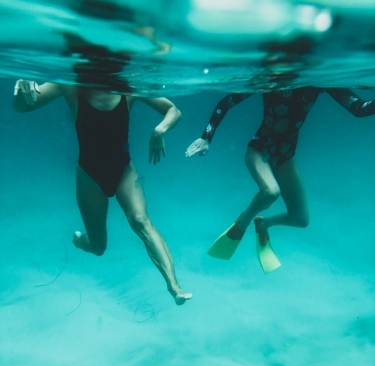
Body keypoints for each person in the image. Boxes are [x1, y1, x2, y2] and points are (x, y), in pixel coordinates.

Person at [13, 80, 192, 305]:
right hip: (90, 179)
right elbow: (22, 106)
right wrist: (21, 88)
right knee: (98, 247)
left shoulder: (131, 86)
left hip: (125, 173)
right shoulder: (68, 86)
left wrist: (159, 130)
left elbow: (173, 110)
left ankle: (174, 287)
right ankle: (81, 240)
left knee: (140, 221)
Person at [186, 88, 375, 271]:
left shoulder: (318, 81)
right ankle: (241, 226)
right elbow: (226, 102)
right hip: (259, 150)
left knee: (300, 219)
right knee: (271, 192)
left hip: (285, 157)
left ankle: (264, 224)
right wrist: (206, 137)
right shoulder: (272, 77)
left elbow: (360, 108)